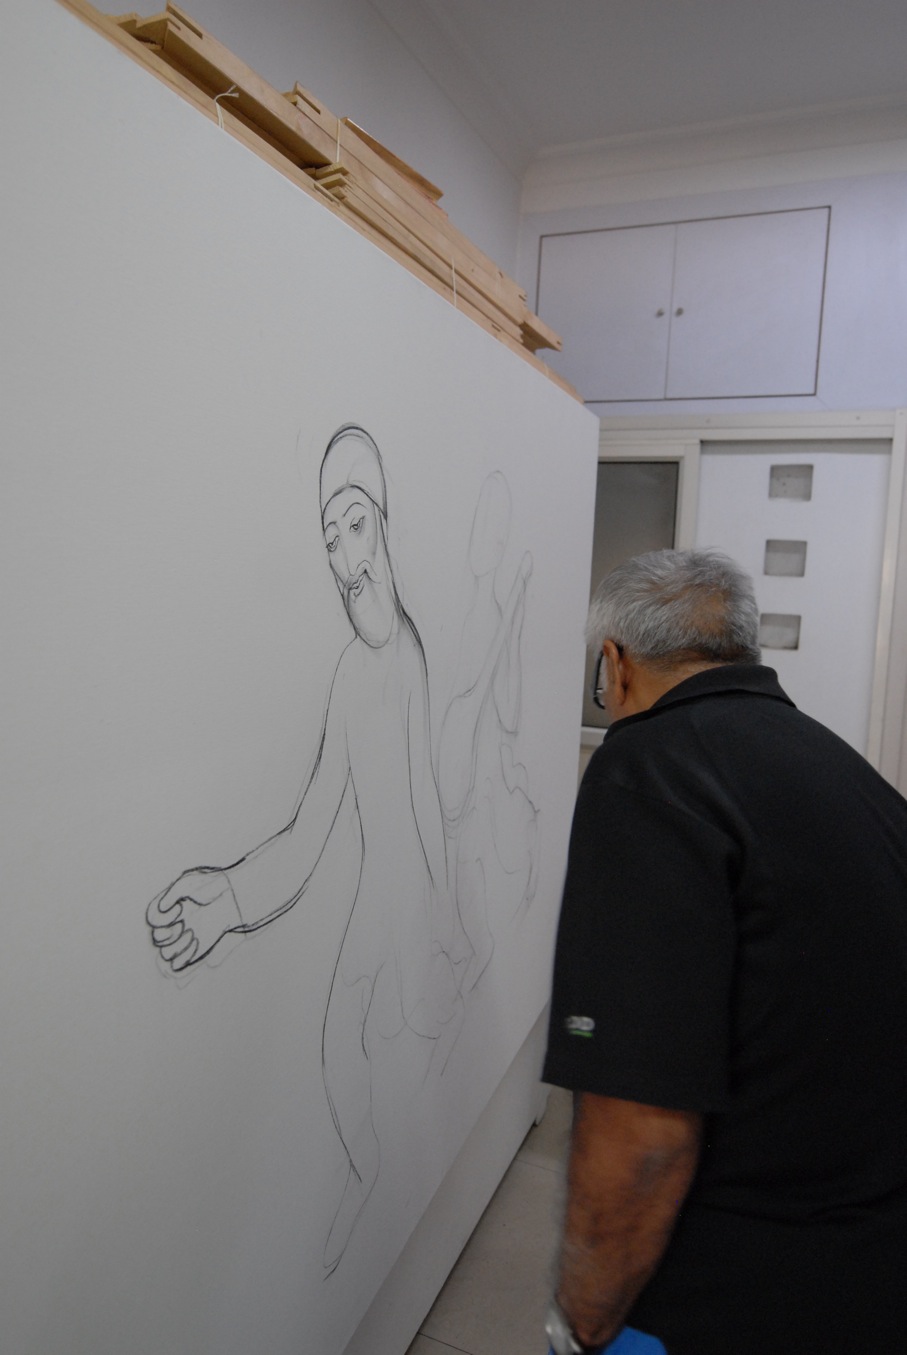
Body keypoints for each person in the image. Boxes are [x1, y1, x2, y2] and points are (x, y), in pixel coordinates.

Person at [542, 548, 907, 1355]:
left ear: (614, 664)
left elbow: (640, 1125)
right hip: (864, 1261)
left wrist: (581, 1321)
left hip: (743, 1292)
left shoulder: (645, 770)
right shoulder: (832, 762)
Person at [146, 424, 463, 1272]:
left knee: (408, 1051)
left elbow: (425, 804)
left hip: (412, 906)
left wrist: (445, 921)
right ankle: (366, 1183)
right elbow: (309, 829)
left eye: (356, 525)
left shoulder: (405, 658)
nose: (345, 558)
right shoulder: (350, 676)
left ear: (385, 525)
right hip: (375, 908)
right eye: (329, 538)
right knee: (338, 1050)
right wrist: (229, 898)